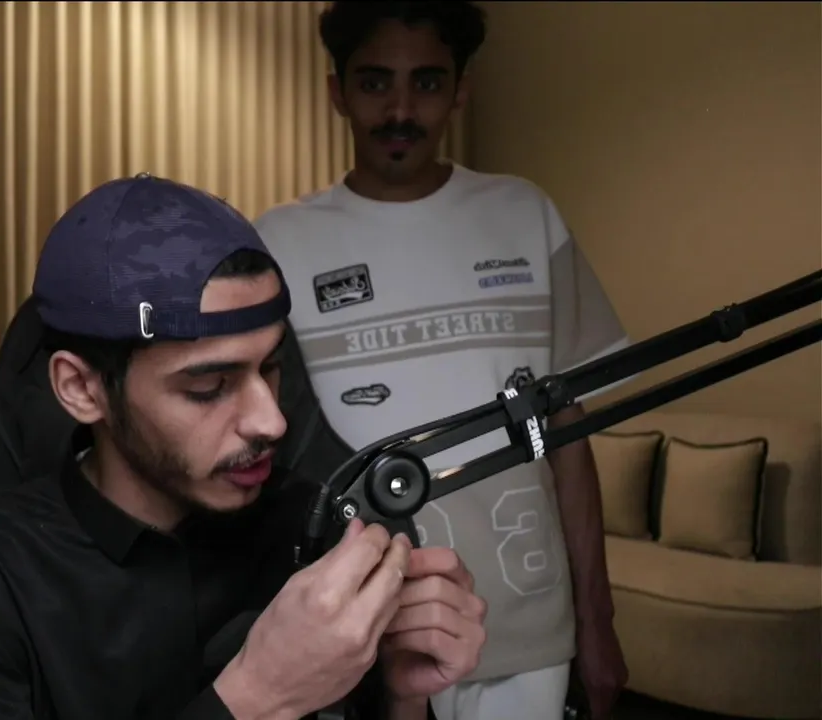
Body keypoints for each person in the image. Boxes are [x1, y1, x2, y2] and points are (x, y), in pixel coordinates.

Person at [0, 173, 488, 720]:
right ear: (82, 389)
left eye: (272, 368)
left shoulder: (312, 531)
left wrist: (402, 698)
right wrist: (259, 697)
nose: (271, 421)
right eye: (209, 387)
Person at [251, 3, 632, 720]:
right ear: (338, 93)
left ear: (460, 91)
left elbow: (569, 439)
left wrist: (598, 619)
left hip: (525, 623)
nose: (400, 111)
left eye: (426, 83)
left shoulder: (524, 214)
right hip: (360, 629)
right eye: (374, 83)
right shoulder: (278, 242)